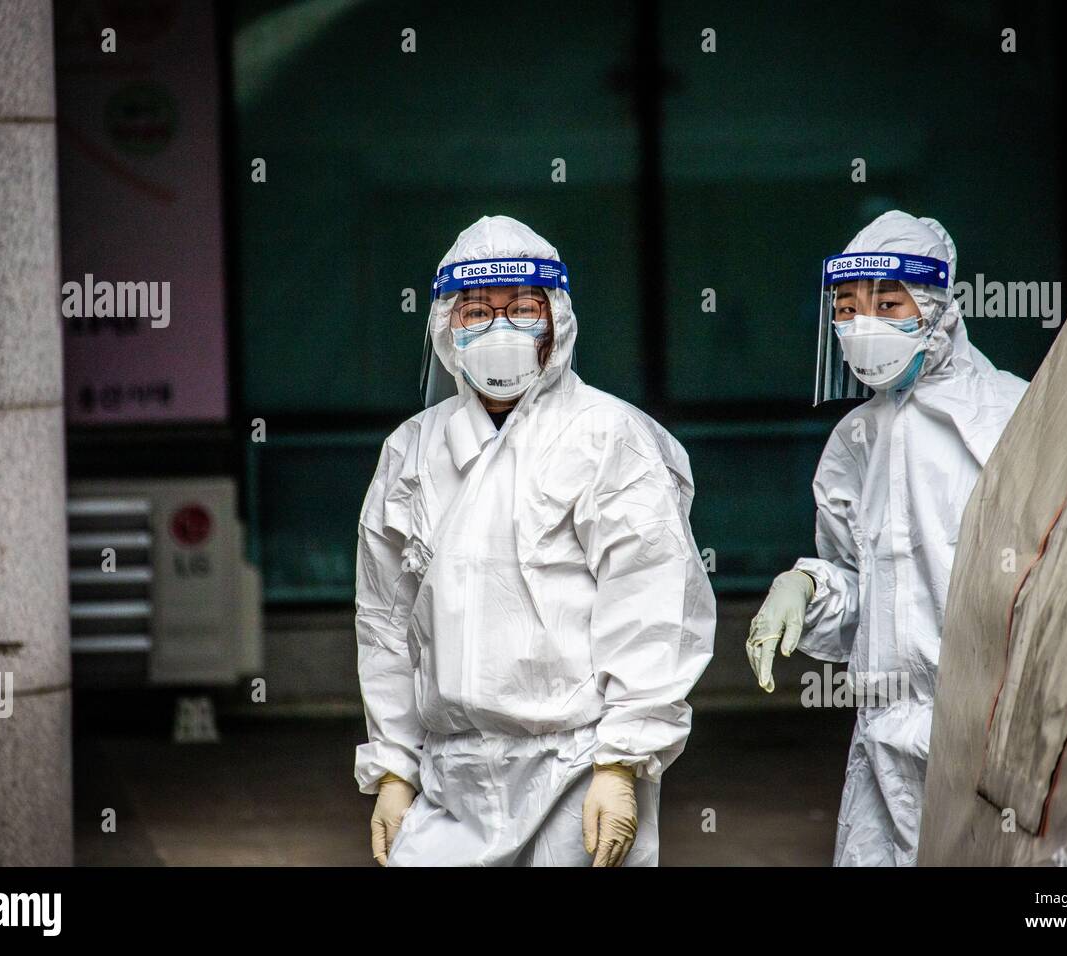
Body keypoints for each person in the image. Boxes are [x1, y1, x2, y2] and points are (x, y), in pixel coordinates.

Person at [355, 215, 715, 867]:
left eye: (521, 309)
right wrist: (393, 768)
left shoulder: (609, 438)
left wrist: (621, 760)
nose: (500, 330)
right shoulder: (411, 454)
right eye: (476, 313)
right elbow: (386, 623)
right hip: (450, 782)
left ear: (557, 320)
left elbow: (653, 607)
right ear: (445, 327)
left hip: (575, 771)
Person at [746, 210, 1027, 866]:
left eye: (887, 302)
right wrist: (808, 585)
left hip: (989, 735)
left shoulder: (1015, 418)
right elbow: (858, 593)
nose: (862, 324)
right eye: (846, 306)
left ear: (937, 307)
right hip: (882, 742)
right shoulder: (855, 440)